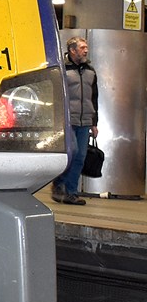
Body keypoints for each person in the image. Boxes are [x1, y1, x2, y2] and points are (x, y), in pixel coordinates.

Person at [53, 36, 99, 206]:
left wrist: (94, 122)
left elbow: (94, 98)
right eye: (82, 48)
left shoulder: (91, 71)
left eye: (86, 47)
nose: (86, 50)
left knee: (80, 156)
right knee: (71, 153)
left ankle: (70, 192)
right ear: (72, 50)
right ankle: (59, 185)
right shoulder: (62, 70)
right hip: (67, 120)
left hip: (85, 120)